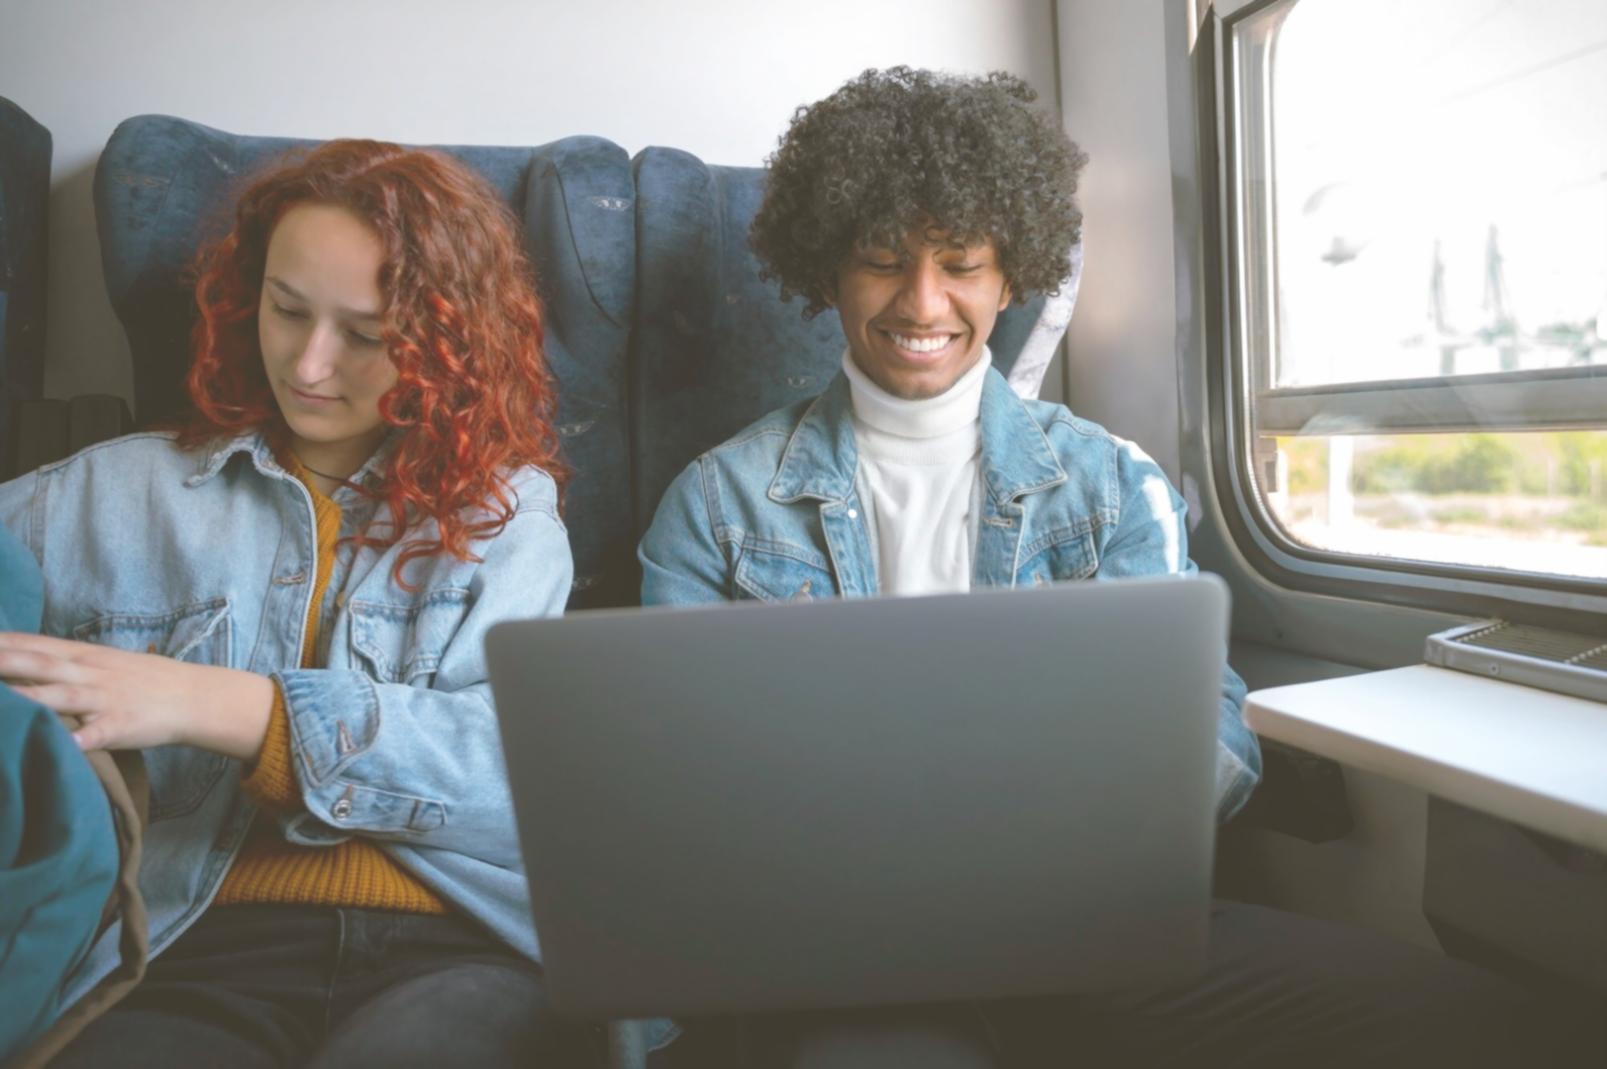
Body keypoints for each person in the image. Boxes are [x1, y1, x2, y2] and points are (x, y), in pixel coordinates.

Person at [639, 67, 1600, 1067]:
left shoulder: (1106, 481)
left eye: (959, 262)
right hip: (849, 945)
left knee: (1486, 1026)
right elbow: (672, 776)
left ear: (1008, 277)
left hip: (1096, 924)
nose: (921, 300)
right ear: (828, 272)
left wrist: (1121, 824)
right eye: (881, 261)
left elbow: (1215, 727)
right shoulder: (716, 504)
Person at [0, 140, 591, 1067]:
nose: (310, 364)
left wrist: (216, 705)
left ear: (446, 339)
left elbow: (516, 777)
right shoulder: (104, 495)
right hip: (190, 951)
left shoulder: (507, 517)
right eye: (285, 311)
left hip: (454, 952)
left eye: (362, 334)